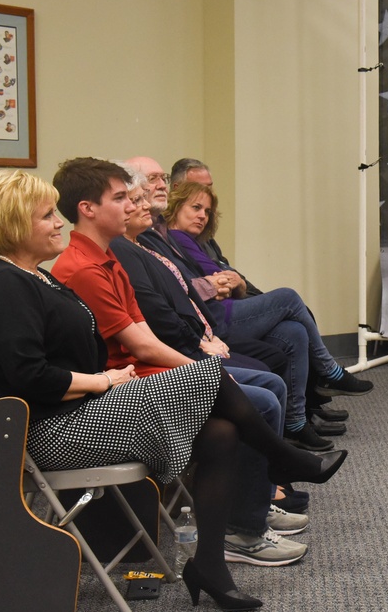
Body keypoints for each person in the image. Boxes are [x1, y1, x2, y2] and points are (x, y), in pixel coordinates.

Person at [0, 169, 347, 612]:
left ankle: (209, 564)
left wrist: (102, 383)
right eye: (47, 215)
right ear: (14, 224)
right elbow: (29, 377)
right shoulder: (5, 284)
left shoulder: (34, 276)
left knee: (221, 431)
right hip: (51, 433)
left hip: (80, 411)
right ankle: (282, 456)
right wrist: (105, 381)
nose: (58, 222)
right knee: (208, 375)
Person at [49, 157, 307, 566]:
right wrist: (198, 367)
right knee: (261, 401)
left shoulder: (110, 257)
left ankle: (248, 517)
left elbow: (146, 331)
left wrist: (197, 361)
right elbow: (144, 346)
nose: (139, 206)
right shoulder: (83, 266)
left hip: (142, 372)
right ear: (89, 209)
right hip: (124, 386)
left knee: (252, 400)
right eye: (121, 198)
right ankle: (259, 503)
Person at [163, 180, 372, 449]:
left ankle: (296, 423)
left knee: (293, 331)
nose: (202, 215)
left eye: (207, 211)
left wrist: (227, 282)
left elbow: (223, 279)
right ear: (176, 206)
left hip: (222, 310)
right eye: (195, 208)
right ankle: (329, 370)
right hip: (216, 320)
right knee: (288, 297)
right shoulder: (176, 237)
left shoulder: (194, 240)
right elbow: (215, 275)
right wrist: (227, 281)